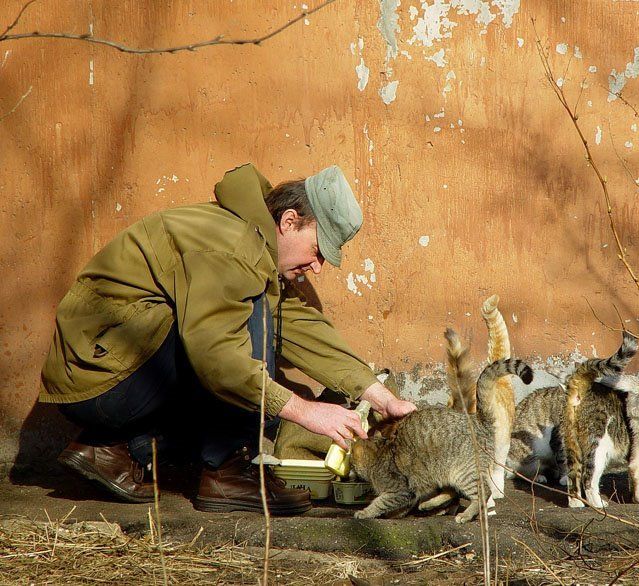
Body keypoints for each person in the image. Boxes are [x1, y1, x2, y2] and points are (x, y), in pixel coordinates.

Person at [39, 162, 416, 515]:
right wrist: (306, 410)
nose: (316, 267)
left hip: (113, 367)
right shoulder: (232, 247)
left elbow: (297, 323)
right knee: (247, 356)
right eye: (318, 251)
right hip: (99, 376)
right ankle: (228, 471)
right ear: (289, 221)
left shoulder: (252, 244)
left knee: (258, 388)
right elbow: (218, 358)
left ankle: (113, 449)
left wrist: (375, 392)